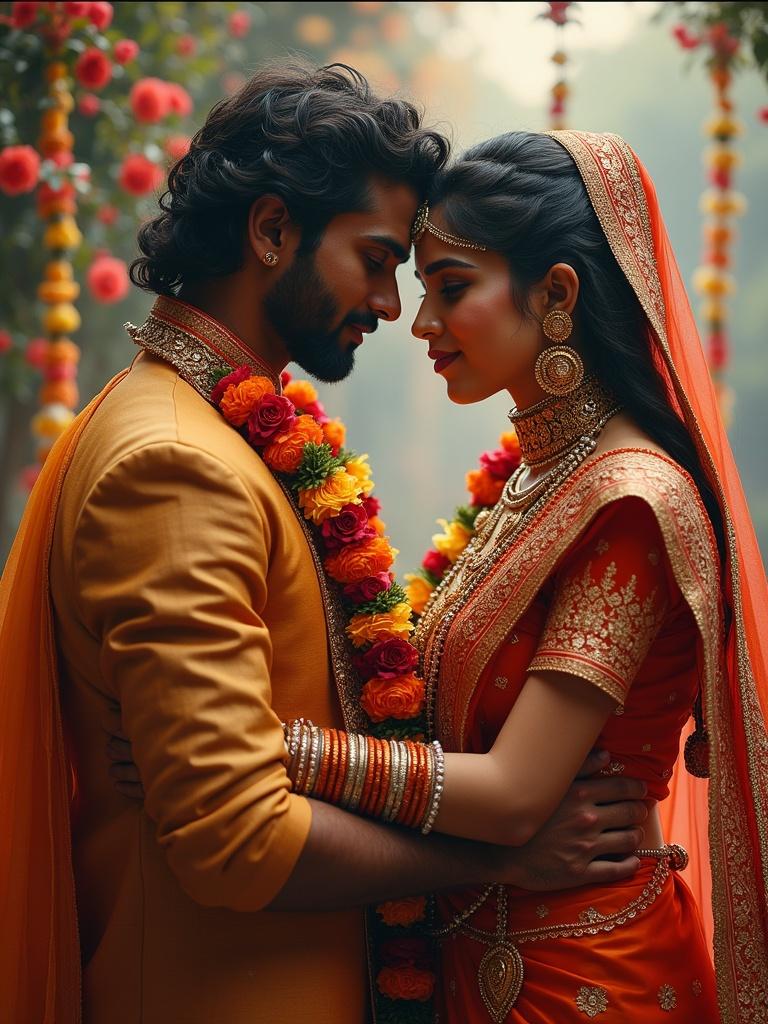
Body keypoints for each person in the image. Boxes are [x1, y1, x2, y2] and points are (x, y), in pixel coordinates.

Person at [0, 70, 650, 1024]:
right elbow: (237, 840)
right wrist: (500, 857)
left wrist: (292, 752)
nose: (393, 307)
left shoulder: (220, 436)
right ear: (272, 233)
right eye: (378, 259)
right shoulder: (178, 466)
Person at [262, 131, 768, 1022]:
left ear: (557, 293)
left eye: (452, 289)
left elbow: (514, 794)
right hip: (481, 963)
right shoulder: (539, 482)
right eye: (424, 293)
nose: (420, 324)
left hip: (592, 982)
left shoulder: (629, 503)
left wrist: (266, 753)